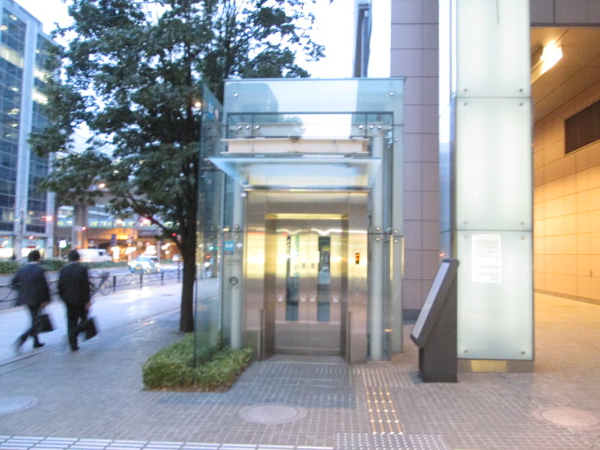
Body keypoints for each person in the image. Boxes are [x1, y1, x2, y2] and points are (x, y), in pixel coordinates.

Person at [12, 250, 51, 351]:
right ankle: (23, 338)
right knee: (36, 321)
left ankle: (36, 341)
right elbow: (43, 286)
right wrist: (46, 300)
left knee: (34, 319)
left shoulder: (22, 269)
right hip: (37, 299)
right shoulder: (39, 270)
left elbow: (13, 283)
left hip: (26, 298)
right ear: (38, 258)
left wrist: (22, 290)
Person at [58, 249, 91, 351]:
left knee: (71, 321)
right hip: (80, 300)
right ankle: (74, 333)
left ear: (69, 259)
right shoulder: (82, 269)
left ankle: (73, 344)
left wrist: (63, 298)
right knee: (84, 319)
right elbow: (85, 286)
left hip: (68, 300)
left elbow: (60, 286)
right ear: (78, 258)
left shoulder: (63, 270)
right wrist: (87, 300)